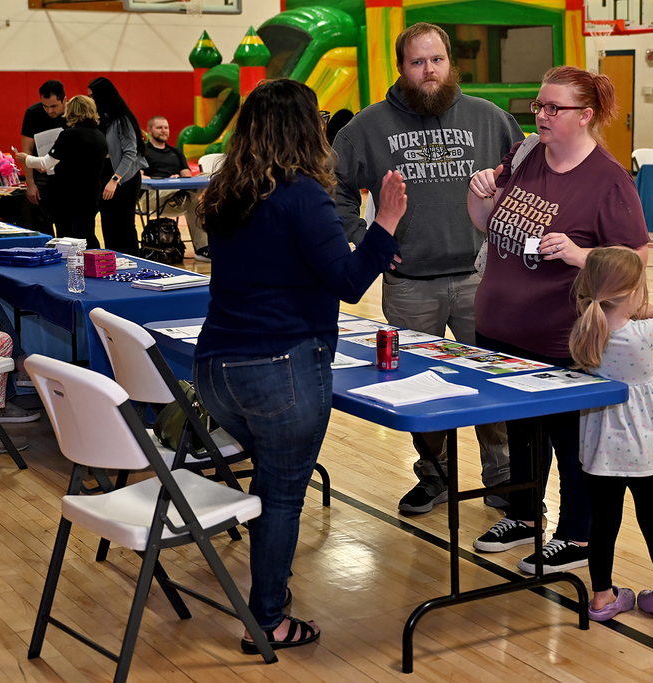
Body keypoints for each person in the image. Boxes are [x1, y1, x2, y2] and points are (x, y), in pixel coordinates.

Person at [193, 79, 404, 653]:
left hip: (216, 369)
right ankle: (267, 619)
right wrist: (383, 223)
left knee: (270, 480)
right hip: (281, 366)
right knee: (282, 493)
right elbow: (349, 283)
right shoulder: (301, 193)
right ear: (306, 128)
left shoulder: (226, 190)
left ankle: (267, 595)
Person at [467, 66, 650, 575]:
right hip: (500, 329)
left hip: (560, 338)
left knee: (571, 442)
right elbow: (487, 224)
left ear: (585, 116)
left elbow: (633, 265)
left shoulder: (608, 180)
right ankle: (525, 515)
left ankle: (576, 535)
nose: (540, 116)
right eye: (539, 106)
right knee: (522, 432)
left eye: (553, 109)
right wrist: (479, 189)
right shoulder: (524, 156)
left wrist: (580, 256)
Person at [333, 22, 519, 515]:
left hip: (483, 280)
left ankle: (502, 475)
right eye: (418, 63)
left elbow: (528, 173)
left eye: (437, 60)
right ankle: (434, 474)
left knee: (494, 381)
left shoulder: (489, 118)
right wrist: (364, 239)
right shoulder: (366, 128)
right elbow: (335, 191)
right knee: (419, 386)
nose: (429, 71)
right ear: (401, 68)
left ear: (449, 62)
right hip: (410, 285)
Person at [567, 248, 653, 624]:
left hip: (602, 449)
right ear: (634, 292)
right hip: (645, 449)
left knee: (603, 524)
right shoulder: (644, 332)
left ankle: (603, 597)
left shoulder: (587, 328)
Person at [16, 95, 108, 249]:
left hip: (69, 194)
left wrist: (26, 159)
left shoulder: (69, 134)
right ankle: (95, 261)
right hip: (92, 193)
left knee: (67, 235)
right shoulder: (100, 136)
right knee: (87, 232)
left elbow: (47, 162)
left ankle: (68, 267)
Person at [88, 77, 148, 255]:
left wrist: (115, 179)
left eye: (92, 96)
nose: (90, 100)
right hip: (106, 174)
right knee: (108, 224)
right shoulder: (100, 119)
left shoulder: (122, 119)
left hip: (125, 177)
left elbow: (130, 153)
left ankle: (133, 263)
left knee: (124, 224)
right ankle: (113, 263)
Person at [141, 115, 209, 261]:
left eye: (166, 127)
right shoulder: (143, 151)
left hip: (178, 199)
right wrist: (166, 181)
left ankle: (202, 249)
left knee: (205, 179)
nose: (163, 131)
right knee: (188, 193)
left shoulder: (176, 152)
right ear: (149, 130)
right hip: (153, 198)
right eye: (159, 128)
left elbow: (187, 177)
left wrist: (179, 181)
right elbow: (139, 177)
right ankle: (179, 192)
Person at [19, 80, 67, 234]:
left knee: (66, 224)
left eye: (54, 106)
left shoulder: (73, 114)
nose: (49, 111)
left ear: (64, 100)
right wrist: (30, 184)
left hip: (66, 176)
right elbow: (26, 151)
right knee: (41, 224)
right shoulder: (33, 113)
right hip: (42, 175)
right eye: (45, 106)